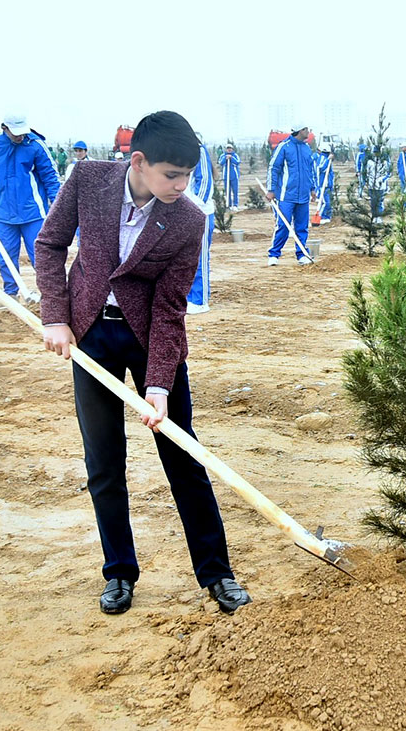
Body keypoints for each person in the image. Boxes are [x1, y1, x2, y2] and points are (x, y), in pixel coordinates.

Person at [34, 110, 251, 616]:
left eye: (189, 175)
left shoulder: (189, 219)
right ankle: (119, 573)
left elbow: (171, 307)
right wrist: (55, 316)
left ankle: (217, 574)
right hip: (90, 334)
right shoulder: (88, 180)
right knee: (104, 463)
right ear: (139, 162)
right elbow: (50, 243)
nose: (181, 185)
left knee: (183, 456)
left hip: (151, 337)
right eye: (172, 175)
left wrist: (159, 384)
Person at [0, 114, 61, 298]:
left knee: (41, 256)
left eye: (22, 132)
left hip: (33, 212)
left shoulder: (35, 146)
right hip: (3, 213)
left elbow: (50, 176)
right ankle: (11, 293)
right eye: (15, 133)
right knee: (6, 257)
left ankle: (49, 296)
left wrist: (57, 202)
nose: (20, 136)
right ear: (4, 128)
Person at [266, 123, 316, 265]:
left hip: (303, 196)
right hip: (286, 195)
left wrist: (312, 189)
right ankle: (274, 254)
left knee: (302, 226)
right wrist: (271, 190)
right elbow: (273, 168)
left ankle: (302, 254)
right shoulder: (284, 147)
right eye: (306, 129)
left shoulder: (306, 148)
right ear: (300, 131)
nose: (308, 131)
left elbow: (309, 171)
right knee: (283, 225)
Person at [185, 135, 215, 313]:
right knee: (187, 258)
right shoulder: (182, 153)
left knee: (200, 257)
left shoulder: (199, 151)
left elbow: (204, 183)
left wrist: (195, 206)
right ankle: (189, 297)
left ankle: (200, 300)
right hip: (186, 213)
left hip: (200, 212)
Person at [313, 142, 334, 225]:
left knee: (328, 202)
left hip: (328, 184)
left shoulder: (325, 158)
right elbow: (321, 168)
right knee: (326, 202)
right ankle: (321, 216)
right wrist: (328, 159)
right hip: (323, 185)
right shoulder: (323, 158)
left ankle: (327, 216)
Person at [218, 144, 240, 211]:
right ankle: (229, 205)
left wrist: (231, 158)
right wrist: (226, 158)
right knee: (227, 191)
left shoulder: (235, 155)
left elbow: (237, 162)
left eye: (230, 148)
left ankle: (235, 205)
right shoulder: (222, 155)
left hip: (234, 176)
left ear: (232, 149)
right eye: (228, 148)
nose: (229, 149)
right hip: (226, 176)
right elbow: (220, 163)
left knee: (235, 191)